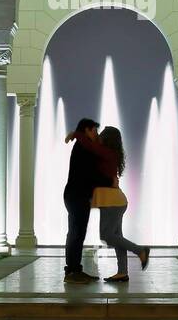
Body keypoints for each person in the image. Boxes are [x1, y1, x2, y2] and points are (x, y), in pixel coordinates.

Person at [66, 124, 150, 282]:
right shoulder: (111, 155)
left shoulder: (105, 154)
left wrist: (76, 134)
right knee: (117, 237)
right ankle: (123, 272)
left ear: (107, 139)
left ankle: (140, 251)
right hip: (116, 202)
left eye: (102, 134)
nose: (99, 136)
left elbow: (89, 147)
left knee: (107, 236)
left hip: (112, 203)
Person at [62, 118, 107, 283]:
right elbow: (91, 174)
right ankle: (72, 271)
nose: (96, 133)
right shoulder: (83, 147)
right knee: (76, 233)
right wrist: (109, 182)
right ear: (87, 130)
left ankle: (74, 269)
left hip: (76, 195)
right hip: (76, 196)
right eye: (94, 130)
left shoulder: (82, 146)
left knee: (77, 232)